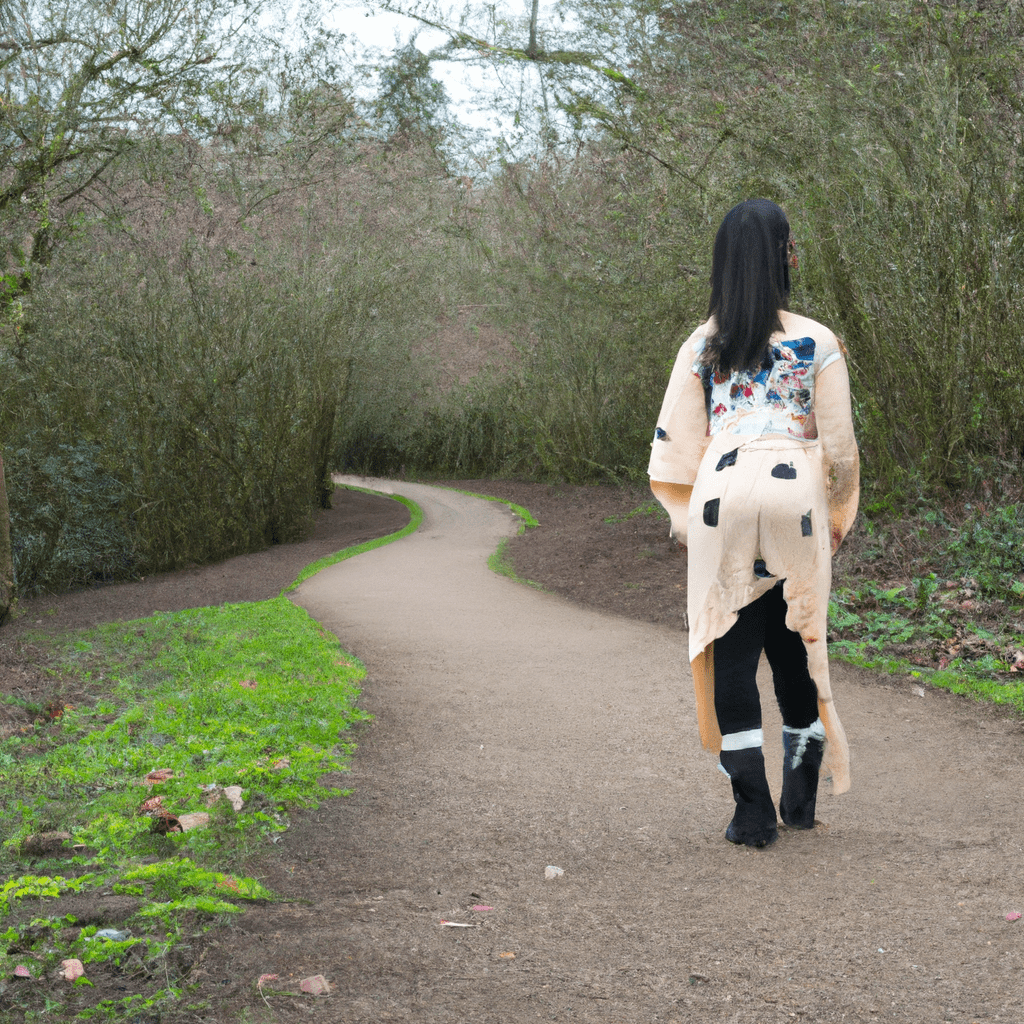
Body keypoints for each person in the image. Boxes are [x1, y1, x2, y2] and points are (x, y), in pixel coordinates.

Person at [648, 199, 860, 848]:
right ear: (784, 256)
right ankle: (800, 800)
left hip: (721, 494)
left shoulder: (701, 344)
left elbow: (676, 444)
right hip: (794, 491)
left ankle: (752, 813)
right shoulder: (817, 341)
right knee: (800, 645)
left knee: (731, 651)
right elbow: (840, 448)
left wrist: (687, 523)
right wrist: (837, 519)